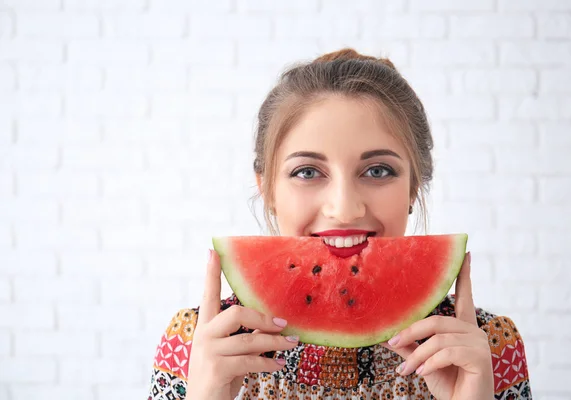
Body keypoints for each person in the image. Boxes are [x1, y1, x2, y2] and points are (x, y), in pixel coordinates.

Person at [147, 48, 532, 399]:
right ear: (268, 190)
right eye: (308, 172)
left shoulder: (487, 347)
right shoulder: (196, 344)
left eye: (378, 170)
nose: (344, 208)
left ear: (413, 187)